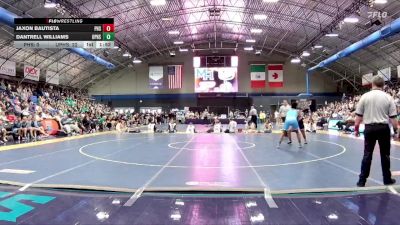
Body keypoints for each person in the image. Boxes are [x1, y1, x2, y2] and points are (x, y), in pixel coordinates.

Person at [355, 76, 397, 187]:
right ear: (383, 85)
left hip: (369, 129)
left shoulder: (364, 97)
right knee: (385, 155)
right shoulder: (388, 97)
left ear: (372, 84)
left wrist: (356, 129)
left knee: (367, 154)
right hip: (383, 129)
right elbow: (393, 118)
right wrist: (396, 130)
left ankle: (362, 181)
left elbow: (358, 116)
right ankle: (387, 179)